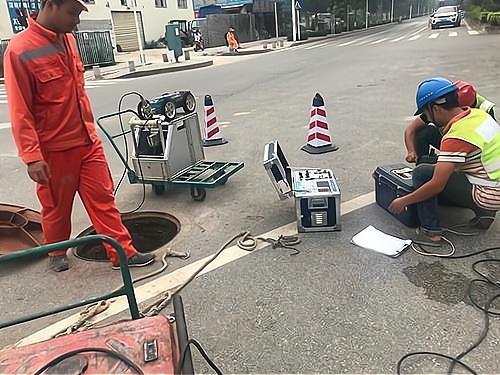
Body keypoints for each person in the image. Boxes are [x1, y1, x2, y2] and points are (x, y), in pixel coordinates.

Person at [4, 0, 156, 272]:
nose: (77, 20)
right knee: (56, 208)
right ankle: (56, 251)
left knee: (103, 200)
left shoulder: (70, 42)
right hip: (54, 150)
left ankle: (122, 253)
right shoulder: (20, 50)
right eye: (72, 12)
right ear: (51, 5)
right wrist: (32, 157)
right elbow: (20, 110)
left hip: (88, 142)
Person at [390, 77, 500, 245]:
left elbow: (436, 185)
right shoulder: (478, 115)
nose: (427, 117)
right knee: (435, 167)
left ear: (435, 108)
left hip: (489, 194)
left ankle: (431, 232)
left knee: (422, 173)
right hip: (492, 181)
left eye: (426, 113)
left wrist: (405, 200)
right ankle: (484, 214)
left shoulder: (456, 136)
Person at [404, 80, 496, 165]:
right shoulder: (437, 110)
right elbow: (411, 129)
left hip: (474, 149)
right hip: (452, 143)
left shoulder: (484, 112)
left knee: (424, 172)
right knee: (423, 133)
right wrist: (411, 152)